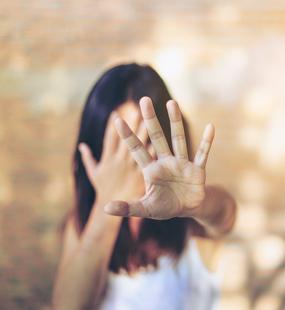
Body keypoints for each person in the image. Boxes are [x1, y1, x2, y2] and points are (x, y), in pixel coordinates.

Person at [52, 63, 237, 309]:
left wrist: (196, 204)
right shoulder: (79, 223)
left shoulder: (190, 226)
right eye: (117, 144)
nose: (130, 159)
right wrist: (108, 203)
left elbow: (224, 213)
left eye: (142, 141)